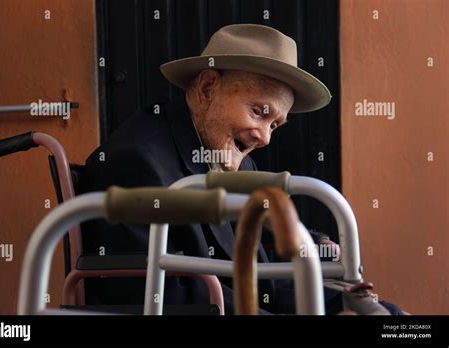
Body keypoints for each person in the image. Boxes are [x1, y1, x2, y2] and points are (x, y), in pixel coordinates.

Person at [81, 24, 403, 315]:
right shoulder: (137, 162)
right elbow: (158, 297)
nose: (264, 138)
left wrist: (325, 267)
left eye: (275, 124)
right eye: (259, 112)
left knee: (391, 318)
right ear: (207, 89)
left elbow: (262, 250)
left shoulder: (226, 153)